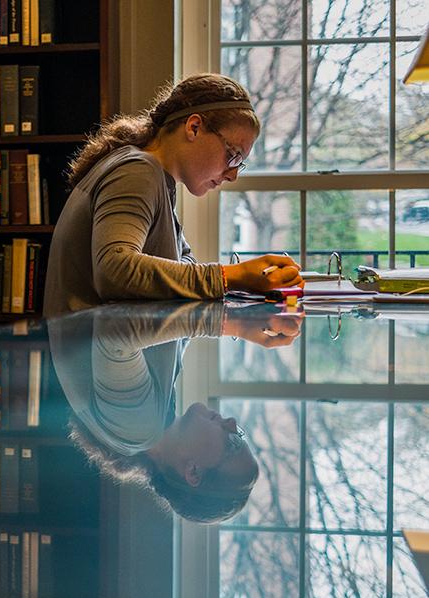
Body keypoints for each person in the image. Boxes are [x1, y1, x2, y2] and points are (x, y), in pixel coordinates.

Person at [43, 73, 304, 317]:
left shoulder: (157, 179)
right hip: (97, 357)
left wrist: (241, 280)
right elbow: (115, 270)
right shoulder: (137, 172)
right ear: (194, 127)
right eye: (233, 156)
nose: (232, 175)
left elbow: (183, 267)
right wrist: (230, 277)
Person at [48, 301, 300, 523]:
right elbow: (177, 271)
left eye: (233, 444)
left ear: (192, 471)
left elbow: (117, 334)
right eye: (240, 434)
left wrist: (229, 324)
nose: (233, 423)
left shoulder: (138, 428)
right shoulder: (158, 411)